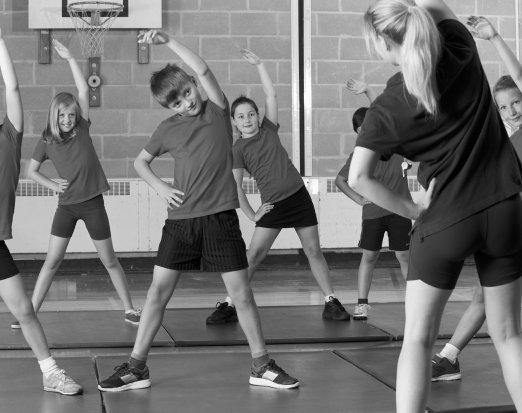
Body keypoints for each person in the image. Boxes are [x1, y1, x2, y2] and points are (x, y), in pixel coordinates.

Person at [97, 30, 299, 392]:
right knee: (157, 294)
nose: (187, 103)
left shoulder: (219, 112)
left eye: (187, 93)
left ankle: (261, 365)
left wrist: (168, 40)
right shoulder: (166, 129)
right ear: (168, 108)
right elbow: (140, 163)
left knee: (241, 295)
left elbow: (204, 69)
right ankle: (137, 366)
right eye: (177, 102)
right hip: (180, 222)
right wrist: (160, 188)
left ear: (193, 85)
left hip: (221, 219)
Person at [351, 1, 522, 412]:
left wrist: (412, 210)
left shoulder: (389, 107)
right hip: (505, 210)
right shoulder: (460, 47)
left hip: (445, 219)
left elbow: (358, 178)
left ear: (381, 43)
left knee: (418, 337)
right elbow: (436, 6)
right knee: (508, 333)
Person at [206, 49, 349, 325]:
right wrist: (252, 214)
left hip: (298, 197)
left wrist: (260, 65)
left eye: (251, 114)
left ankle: (330, 300)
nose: (247, 119)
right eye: (241, 117)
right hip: (273, 204)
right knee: (254, 255)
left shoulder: (269, 129)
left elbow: (271, 96)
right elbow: (236, 186)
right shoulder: (237, 149)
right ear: (234, 122)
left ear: (258, 116)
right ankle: (229, 303)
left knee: (313, 251)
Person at [10, 40, 141, 329]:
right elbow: (30, 172)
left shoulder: (83, 128)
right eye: (63, 115)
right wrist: (53, 186)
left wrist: (69, 57)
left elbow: (83, 91)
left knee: (109, 260)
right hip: (66, 207)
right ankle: (29, 313)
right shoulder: (46, 141)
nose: (68, 119)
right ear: (54, 116)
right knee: (51, 262)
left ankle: (130, 309)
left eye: (71, 114)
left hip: (92, 203)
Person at [431, 15, 522, 382]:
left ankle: (450, 356)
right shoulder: (505, 141)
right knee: (484, 296)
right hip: (511, 227)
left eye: (516, 102)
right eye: (503, 107)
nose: (511, 111)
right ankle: (450, 357)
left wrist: (495, 38)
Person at [0, 30, 82, 395]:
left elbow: (14, 89)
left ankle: (51, 372)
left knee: (24, 310)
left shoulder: (9, 136)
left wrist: (1, 41)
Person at [336, 103, 412, 321]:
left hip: (400, 209)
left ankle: (414, 303)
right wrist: (359, 199)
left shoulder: (396, 145)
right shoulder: (359, 155)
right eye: (362, 132)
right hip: (373, 213)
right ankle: (362, 304)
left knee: (404, 256)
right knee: (369, 256)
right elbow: (340, 180)